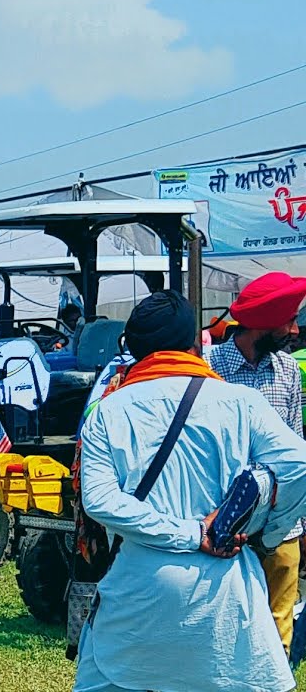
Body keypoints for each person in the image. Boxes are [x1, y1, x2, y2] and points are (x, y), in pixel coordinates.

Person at [74, 290, 306, 692]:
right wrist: (264, 529)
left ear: (134, 348)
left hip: (135, 595)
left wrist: (188, 534)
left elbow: (98, 500)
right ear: (196, 343)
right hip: (224, 597)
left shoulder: (108, 410)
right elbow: (299, 463)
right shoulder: (240, 402)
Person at [204, 271, 306, 657]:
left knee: (279, 624)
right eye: (288, 320)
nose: (295, 331)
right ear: (263, 321)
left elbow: (298, 447)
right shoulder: (211, 369)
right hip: (227, 523)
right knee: (225, 621)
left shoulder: (287, 372)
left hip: (283, 525)